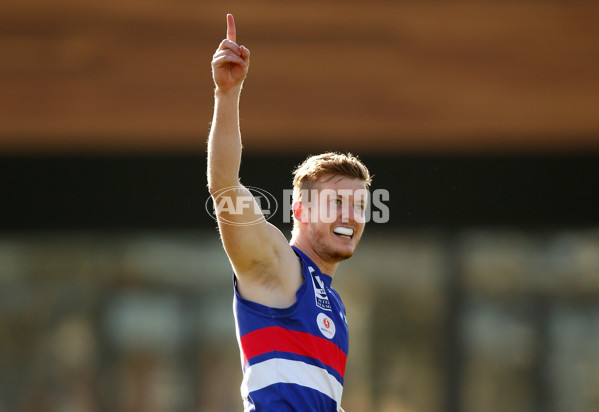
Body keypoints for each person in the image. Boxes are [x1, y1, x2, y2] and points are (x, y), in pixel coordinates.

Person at [208, 14, 371, 412]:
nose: (350, 215)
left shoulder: (332, 303)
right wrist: (227, 96)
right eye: (336, 202)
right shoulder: (278, 264)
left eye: (360, 205)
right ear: (299, 209)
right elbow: (225, 188)